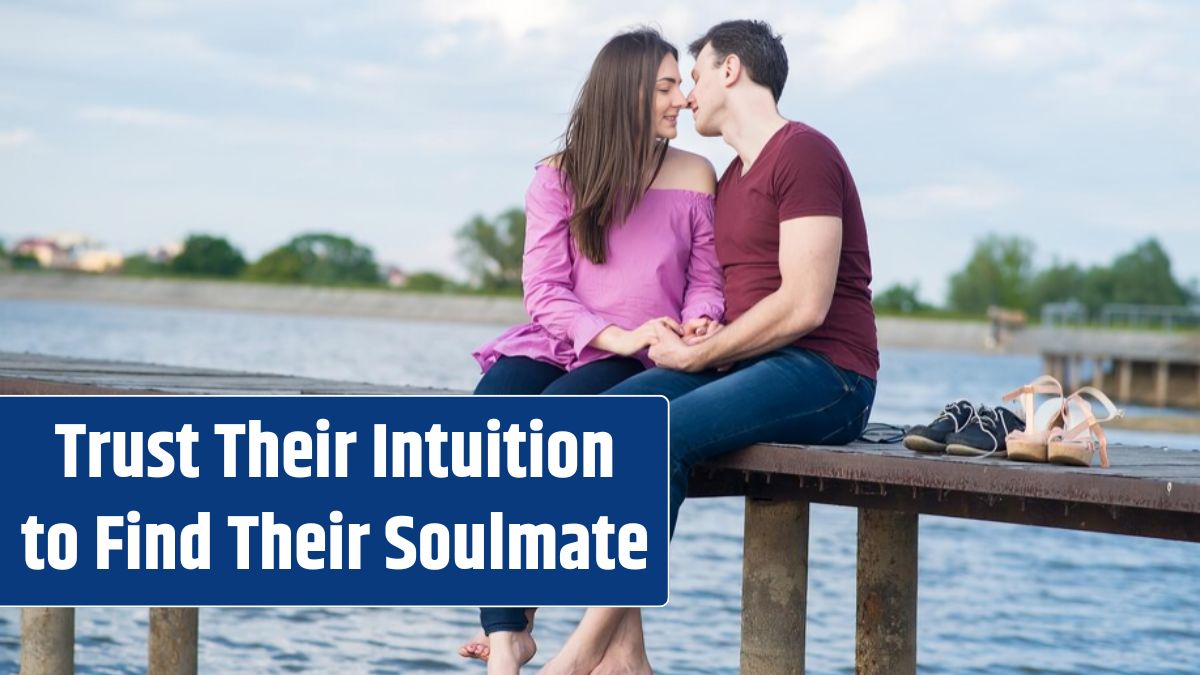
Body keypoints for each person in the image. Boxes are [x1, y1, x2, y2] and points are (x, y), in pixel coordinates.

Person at [537, 20, 879, 674]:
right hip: (751, 364)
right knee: (608, 419)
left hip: (828, 375)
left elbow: (806, 304)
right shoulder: (733, 178)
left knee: (654, 434)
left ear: (730, 70)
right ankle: (626, 657)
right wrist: (702, 331)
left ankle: (578, 657)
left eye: (693, 76)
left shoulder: (802, 152)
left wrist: (700, 354)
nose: (688, 96)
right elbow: (725, 292)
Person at [459, 27, 724, 675]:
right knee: (483, 421)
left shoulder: (695, 174)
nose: (681, 101)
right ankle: (507, 631)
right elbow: (544, 292)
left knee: (555, 425)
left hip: (640, 358)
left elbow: (706, 280)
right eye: (665, 88)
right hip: (564, 340)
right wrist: (615, 332)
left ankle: (543, 630)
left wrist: (698, 324)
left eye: (678, 87)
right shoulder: (558, 176)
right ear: (624, 92)